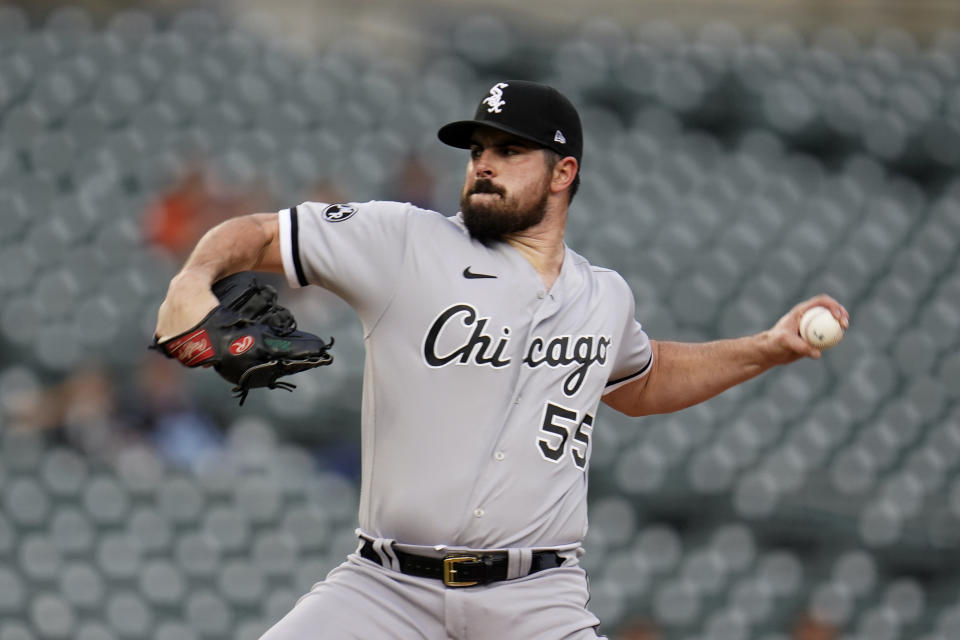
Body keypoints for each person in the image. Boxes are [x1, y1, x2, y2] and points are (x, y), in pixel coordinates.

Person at [155, 80, 849, 639]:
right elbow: (253, 235)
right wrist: (191, 282)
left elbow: (645, 380)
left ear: (562, 172)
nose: (484, 162)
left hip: (537, 603)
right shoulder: (407, 242)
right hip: (386, 591)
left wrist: (766, 348)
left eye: (510, 150)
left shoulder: (604, 296)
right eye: (477, 147)